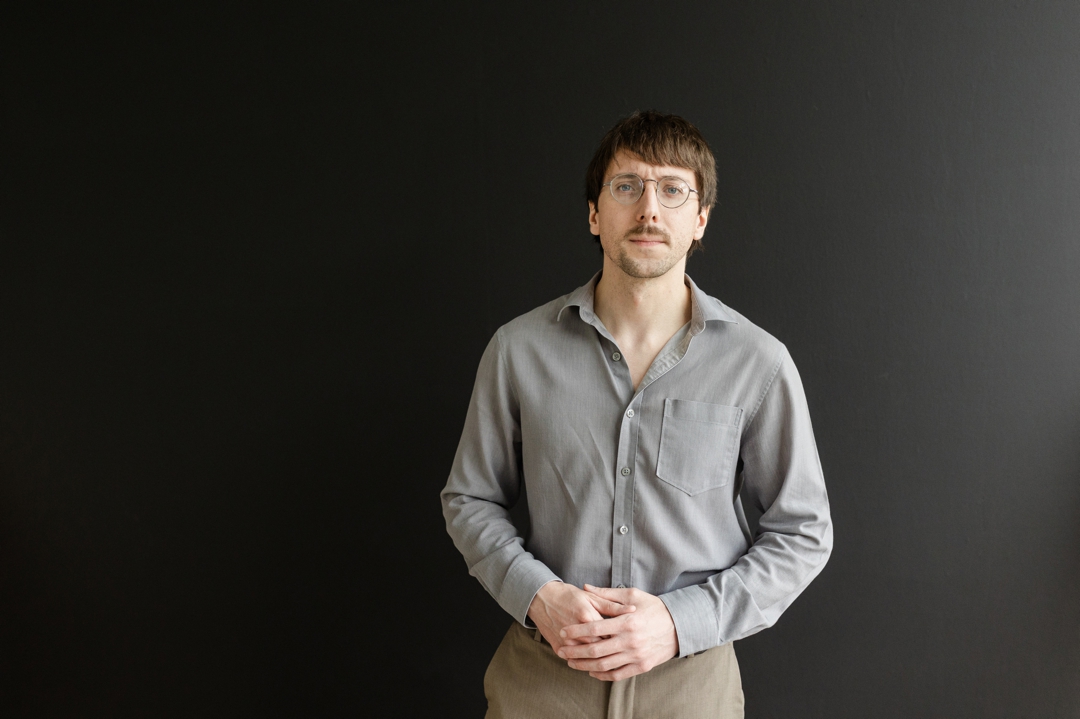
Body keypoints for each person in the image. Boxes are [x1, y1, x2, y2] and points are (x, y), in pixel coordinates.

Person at [441, 110, 833, 718]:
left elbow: (804, 533)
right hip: (542, 686)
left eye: (673, 190)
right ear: (595, 214)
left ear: (700, 219)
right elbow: (469, 500)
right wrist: (537, 594)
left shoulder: (759, 363)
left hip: (691, 691)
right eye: (627, 187)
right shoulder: (518, 350)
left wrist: (679, 622)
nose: (649, 209)